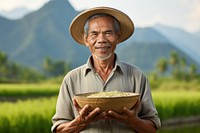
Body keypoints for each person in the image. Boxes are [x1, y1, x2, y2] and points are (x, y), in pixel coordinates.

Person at [51, 6, 161, 133]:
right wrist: (81, 121)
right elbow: (59, 130)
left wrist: (132, 120)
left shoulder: (136, 76)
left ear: (118, 37)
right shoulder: (71, 79)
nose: (102, 40)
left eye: (108, 33)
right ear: (86, 39)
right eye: (94, 34)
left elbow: (152, 129)